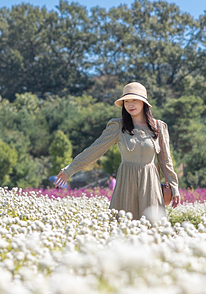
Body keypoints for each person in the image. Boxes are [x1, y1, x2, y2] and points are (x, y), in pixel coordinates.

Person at [55, 82, 180, 220]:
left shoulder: (158, 127)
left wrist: (174, 188)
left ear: (144, 102)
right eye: (126, 101)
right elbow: (95, 150)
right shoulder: (118, 127)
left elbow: (166, 161)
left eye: (134, 100)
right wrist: (70, 169)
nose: (130, 104)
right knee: (124, 228)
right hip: (126, 184)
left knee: (152, 229)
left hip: (150, 185)